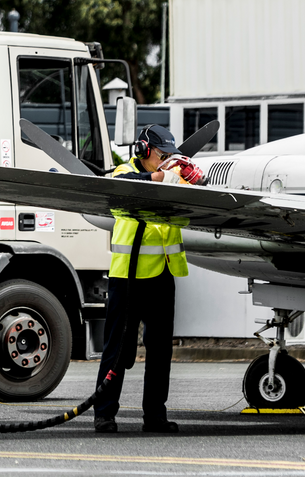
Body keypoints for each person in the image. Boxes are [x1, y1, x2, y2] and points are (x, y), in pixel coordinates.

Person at [94, 125, 202, 434]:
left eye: (172, 156)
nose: (167, 161)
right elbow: (111, 185)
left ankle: (155, 415)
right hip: (128, 277)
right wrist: (155, 178)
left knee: (160, 351)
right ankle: (104, 413)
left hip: (164, 273)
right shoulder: (124, 173)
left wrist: (195, 179)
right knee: (117, 349)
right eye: (162, 156)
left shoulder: (174, 177)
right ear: (143, 151)